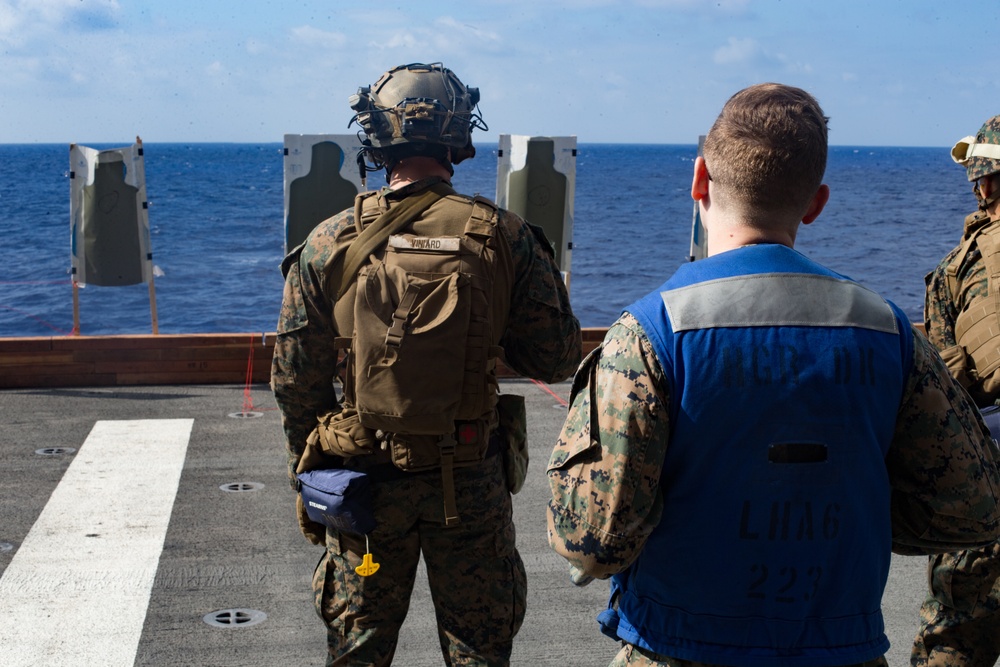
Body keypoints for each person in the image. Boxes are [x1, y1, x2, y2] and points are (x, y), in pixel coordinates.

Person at [546, 83, 1000, 667]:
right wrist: (853, 519)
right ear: (816, 203)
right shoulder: (885, 330)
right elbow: (972, 506)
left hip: (678, 648)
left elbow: (592, 540)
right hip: (842, 650)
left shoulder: (651, 331)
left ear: (700, 182)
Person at [272, 62, 582, 666]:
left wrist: (310, 474)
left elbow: (294, 379)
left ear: (376, 136)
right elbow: (557, 356)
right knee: (478, 650)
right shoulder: (506, 236)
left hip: (364, 484)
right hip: (469, 481)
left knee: (357, 649)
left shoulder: (329, 241)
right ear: (457, 137)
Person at [913, 116, 1000, 667]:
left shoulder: (959, 267)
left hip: (987, 460)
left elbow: (946, 387)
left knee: (957, 632)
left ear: (984, 182)